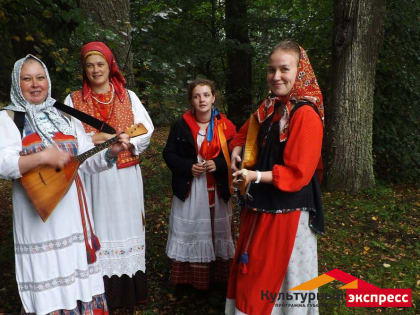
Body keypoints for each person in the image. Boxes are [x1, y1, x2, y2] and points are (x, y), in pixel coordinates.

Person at [0, 55, 130, 314]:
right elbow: (3, 163)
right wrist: (41, 157)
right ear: (17, 83)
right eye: (27, 79)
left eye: (40, 77)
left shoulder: (65, 116)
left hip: (75, 217)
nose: (35, 84)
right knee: (49, 277)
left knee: (77, 276)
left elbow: (85, 162)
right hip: (40, 222)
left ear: (48, 80)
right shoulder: (9, 118)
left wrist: (111, 152)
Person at [225, 40, 325, 315]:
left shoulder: (305, 113)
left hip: (289, 210)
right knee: (255, 269)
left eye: (284, 69)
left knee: (284, 276)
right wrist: (236, 147)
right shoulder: (271, 105)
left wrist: (254, 174)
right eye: (271, 70)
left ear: (299, 71)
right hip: (262, 202)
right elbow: (245, 132)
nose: (276, 76)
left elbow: (298, 173)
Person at [64, 41, 154, 310]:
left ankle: (128, 292)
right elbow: (69, 138)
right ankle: (97, 290)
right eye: (90, 65)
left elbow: (146, 129)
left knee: (126, 224)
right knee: (98, 225)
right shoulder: (73, 100)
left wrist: (128, 139)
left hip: (125, 176)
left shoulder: (128, 96)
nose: (95, 70)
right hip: (93, 177)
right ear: (84, 69)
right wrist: (98, 138)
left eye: (100, 64)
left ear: (110, 65)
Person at [163, 78, 236, 292]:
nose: (202, 99)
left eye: (206, 95)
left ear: (213, 97)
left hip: (217, 189)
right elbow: (168, 153)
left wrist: (219, 164)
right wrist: (188, 167)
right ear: (191, 100)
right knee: (195, 229)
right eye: (197, 96)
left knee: (216, 229)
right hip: (191, 189)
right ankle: (191, 281)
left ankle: (218, 281)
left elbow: (236, 155)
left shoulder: (226, 125)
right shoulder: (181, 125)